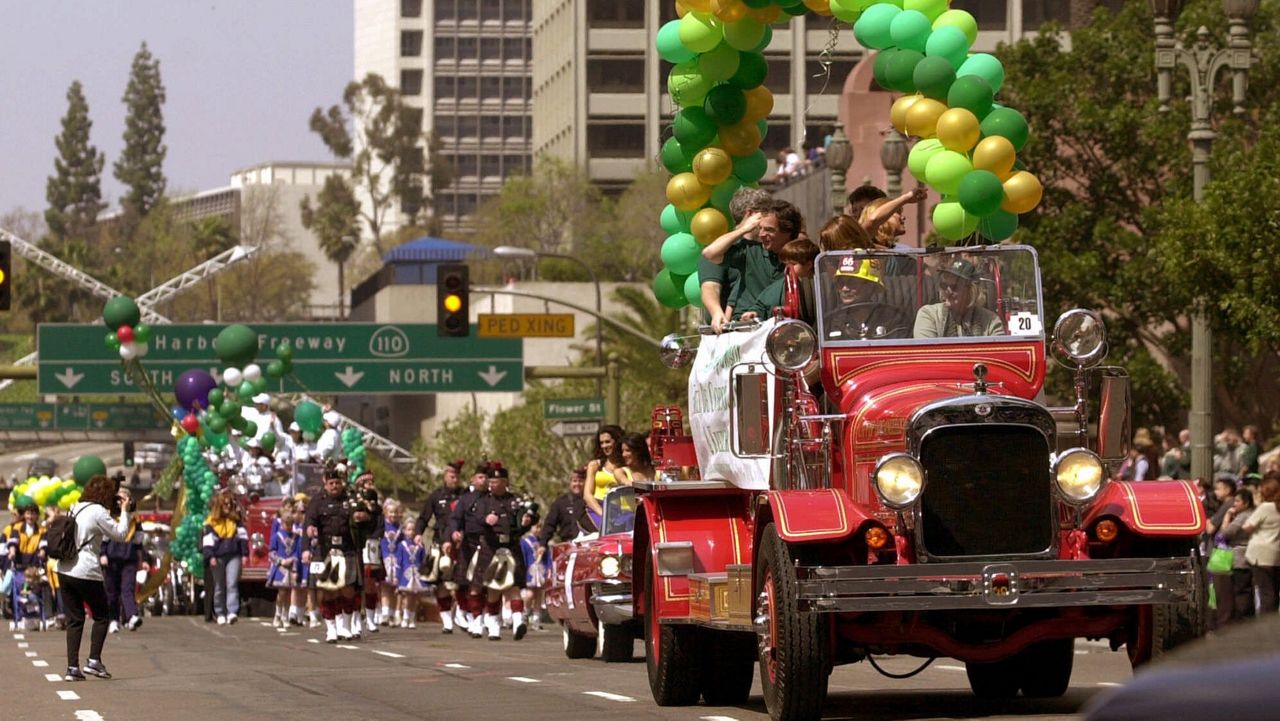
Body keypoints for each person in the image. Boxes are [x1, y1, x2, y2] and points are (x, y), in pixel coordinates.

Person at [57, 475, 131, 682]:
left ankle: (72, 668)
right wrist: (124, 511)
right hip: (86, 571)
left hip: (64, 569)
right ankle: (94, 661)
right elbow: (120, 533)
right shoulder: (98, 512)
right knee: (101, 616)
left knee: (75, 619)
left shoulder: (75, 506)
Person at [701, 199, 802, 333]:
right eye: (760, 228)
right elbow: (710, 253)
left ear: (788, 232)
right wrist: (744, 229)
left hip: (783, 331)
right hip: (745, 329)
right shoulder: (750, 251)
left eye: (769, 230)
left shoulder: (800, 258)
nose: (761, 234)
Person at [304, 468, 370, 643]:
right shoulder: (317, 501)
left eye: (338, 483)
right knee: (328, 591)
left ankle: (346, 626)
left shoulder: (351, 499)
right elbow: (308, 523)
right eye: (331, 483)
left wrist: (364, 518)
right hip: (325, 549)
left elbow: (369, 519)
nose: (335, 486)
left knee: (348, 589)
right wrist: (306, 545)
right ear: (325, 484)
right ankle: (331, 628)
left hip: (347, 548)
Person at [474, 466, 533, 640]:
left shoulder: (516, 500)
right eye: (490, 481)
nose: (491, 484)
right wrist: (485, 520)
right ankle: (493, 626)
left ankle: (517, 622)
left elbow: (527, 519)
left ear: (505, 482)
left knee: (513, 585)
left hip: (511, 545)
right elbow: (476, 518)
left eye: (495, 481)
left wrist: (527, 521)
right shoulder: (484, 501)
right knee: (493, 587)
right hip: (491, 547)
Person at [698, 187, 772, 326]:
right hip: (733, 330)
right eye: (766, 213)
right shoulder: (722, 248)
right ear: (750, 214)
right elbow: (710, 286)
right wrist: (716, 312)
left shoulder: (768, 247)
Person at [416, 459, 464, 633]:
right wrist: (417, 534)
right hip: (439, 541)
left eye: (457, 476)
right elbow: (423, 517)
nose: (454, 479)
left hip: (461, 543)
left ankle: (461, 612)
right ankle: (446, 619)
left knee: (462, 581)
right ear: (445, 476)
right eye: (452, 475)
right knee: (441, 583)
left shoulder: (465, 495)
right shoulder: (436, 496)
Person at [447, 461, 492, 637]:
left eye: (486, 477)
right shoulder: (466, 499)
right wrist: (455, 532)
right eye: (480, 477)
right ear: (473, 479)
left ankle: (482, 619)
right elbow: (455, 519)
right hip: (468, 545)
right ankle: (471, 616)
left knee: (484, 585)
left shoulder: (493, 498)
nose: (483, 481)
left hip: (488, 544)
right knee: (464, 583)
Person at [913, 258, 1005, 338]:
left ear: (971, 291)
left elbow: (998, 353)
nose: (948, 291)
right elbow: (928, 354)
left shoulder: (991, 321)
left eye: (954, 287)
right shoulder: (929, 315)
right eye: (944, 286)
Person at [824, 256, 911, 340]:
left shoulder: (894, 320)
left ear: (870, 286)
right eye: (840, 282)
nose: (844, 289)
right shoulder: (828, 323)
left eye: (852, 282)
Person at [737, 238, 821, 322]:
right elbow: (762, 304)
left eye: (793, 264)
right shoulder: (783, 285)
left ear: (809, 264)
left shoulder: (822, 284)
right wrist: (754, 313)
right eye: (786, 265)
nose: (787, 270)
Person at [202, 489, 248, 625]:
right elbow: (207, 542)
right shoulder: (211, 523)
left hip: (234, 555)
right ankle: (220, 612)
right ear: (219, 506)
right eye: (225, 505)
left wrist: (245, 553)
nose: (228, 507)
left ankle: (232, 612)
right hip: (217, 557)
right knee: (219, 586)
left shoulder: (236, 521)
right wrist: (210, 556)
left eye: (230, 505)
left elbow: (243, 538)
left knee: (232, 583)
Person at [100, 508, 144, 633]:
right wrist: (102, 553)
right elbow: (103, 537)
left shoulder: (135, 518)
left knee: (128, 588)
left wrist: (142, 557)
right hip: (112, 558)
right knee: (112, 592)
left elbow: (139, 539)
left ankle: (131, 616)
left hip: (129, 558)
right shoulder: (109, 516)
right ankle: (113, 620)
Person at [1242, 476, 1280, 614]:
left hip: (1260, 555)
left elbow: (1247, 526)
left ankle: (1266, 627)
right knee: (1274, 592)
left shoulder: (1265, 507)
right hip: (1276, 555)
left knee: (1265, 593)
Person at [6, 500, 46, 629]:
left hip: (34, 567)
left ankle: (34, 616)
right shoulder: (17, 528)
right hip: (19, 566)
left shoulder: (41, 530)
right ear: (25, 515)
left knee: (33, 592)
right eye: (28, 513)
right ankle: (20, 616)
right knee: (19, 590)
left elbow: (43, 545)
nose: (30, 516)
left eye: (33, 514)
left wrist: (42, 552)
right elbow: (13, 543)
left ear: (37, 516)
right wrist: (12, 552)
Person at [1221, 487, 1256, 623]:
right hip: (1250, 555)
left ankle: (1241, 619)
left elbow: (1225, 533)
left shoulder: (1243, 516)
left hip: (1240, 558)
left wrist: (1227, 516)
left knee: (1241, 590)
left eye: (1237, 501)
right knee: (1247, 589)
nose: (1234, 504)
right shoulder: (1253, 513)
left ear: (1246, 503)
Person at [265, 498, 302, 628]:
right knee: (281, 593)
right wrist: (281, 561)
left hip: (291, 567)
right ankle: (278, 614)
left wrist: (295, 566)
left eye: (291, 524)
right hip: (281, 567)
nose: (289, 526)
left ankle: (286, 616)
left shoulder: (296, 537)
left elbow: (298, 553)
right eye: (287, 524)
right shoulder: (276, 536)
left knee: (288, 593)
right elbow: (271, 552)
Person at [584, 425, 625, 529]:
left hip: (623, 512)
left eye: (607, 442)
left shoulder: (626, 466)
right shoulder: (594, 465)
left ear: (617, 441)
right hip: (598, 510)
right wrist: (603, 514)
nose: (604, 446)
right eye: (601, 443)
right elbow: (587, 495)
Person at [539, 467, 593, 546]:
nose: (577, 484)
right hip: (568, 544)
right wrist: (543, 544)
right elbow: (549, 525)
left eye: (580, 481)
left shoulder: (592, 501)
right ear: (570, 483)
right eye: (574, 481)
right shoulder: (560, 503)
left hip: (589, 543)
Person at [394, 524, 427, 628]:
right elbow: (399, 561)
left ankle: (412, 618)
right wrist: (397, 576)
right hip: (405, 574)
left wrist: (424, 575)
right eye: (409, 530)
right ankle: (405, 617)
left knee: (415, 596)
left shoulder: (420, 545)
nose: (411, 532)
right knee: (408, 595)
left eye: (413, 529)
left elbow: (423, 561)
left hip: (417, 574)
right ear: (404, 531)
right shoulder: (402, 545)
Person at [378, 498, 403, 628]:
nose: (393, 515)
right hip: (385, 559)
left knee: (395, 589)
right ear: (385, 513)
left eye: (395, 512)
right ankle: (385, 614)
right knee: (385, 588)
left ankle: (393, 614)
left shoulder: (401, 528)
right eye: (390, 512)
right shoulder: (382, 526)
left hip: (397, 561)